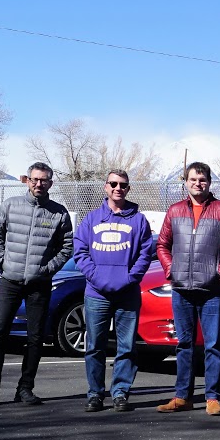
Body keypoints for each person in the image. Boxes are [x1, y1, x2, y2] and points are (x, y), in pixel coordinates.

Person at [0, 162, 73, 408]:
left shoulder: (58, 213)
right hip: (9, 280)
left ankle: (26, 388)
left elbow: (67, 247)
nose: (39, 184)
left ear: (51, 183)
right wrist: (1, 263)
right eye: (35, 179)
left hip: (39, 284)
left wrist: (47, 269)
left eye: (44, 180)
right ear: (27, 180)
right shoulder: (10, 206)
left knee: (36, 337)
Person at [155, 162, 220, 416]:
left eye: (203, 179)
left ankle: (213, 398)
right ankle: (182, 396)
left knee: (213, 345)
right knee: (184, 344)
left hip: (212, 291)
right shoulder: (174, 211)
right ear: (185, 181)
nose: (198, 183)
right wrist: (171, 270)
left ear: (209, 182)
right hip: (181, 289)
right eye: (193, 179)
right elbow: (162, 244)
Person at [72, 169, 156, 413]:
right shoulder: (91, 219)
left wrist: (130, 278)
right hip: (96, 294)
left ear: (128, 189)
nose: (118, 188)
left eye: (123, 185)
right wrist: (97, 277)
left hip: (127, 294)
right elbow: (80, 252)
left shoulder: (138, 220)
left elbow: (145, 253)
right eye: (113, 184)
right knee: (95, 346)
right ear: (105, 187)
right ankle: (95, 394)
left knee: (127, 346)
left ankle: (120, 392)